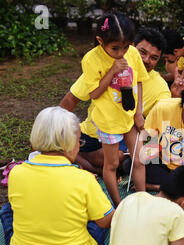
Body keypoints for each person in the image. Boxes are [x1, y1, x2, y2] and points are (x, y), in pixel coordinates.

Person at [0, 106, 114, 245]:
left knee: (8, 211)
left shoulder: (16, 173)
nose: (79, 146)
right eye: (79, 142)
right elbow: (107, 222)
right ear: (69, 143)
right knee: (101, 215)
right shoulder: (83, 179)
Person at [59, 27, 170, 176]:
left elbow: (159, 127)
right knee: (117, 161)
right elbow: (70, 100)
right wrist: (54, 129)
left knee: (124, 159)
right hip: (91, 135)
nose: (146, 60)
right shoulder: (104, 68)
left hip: (123, 140)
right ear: (129, 48)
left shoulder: (160, 88)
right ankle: (79, 157)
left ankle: (74, 158)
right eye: (142, 52)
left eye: (154, 57)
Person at [80, 12, 148, 207]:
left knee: (139, 159)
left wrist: (138, 112)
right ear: (100, 41)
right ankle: (118, 205)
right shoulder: (91, 59)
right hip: (108, 121)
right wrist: (112, 71)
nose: (121, 53)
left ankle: (142, 202)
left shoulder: (132, 53)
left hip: (129, 118)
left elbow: (140, 82)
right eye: (115, 48)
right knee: (112, 165)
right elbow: (94, 93)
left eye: (125, 47)